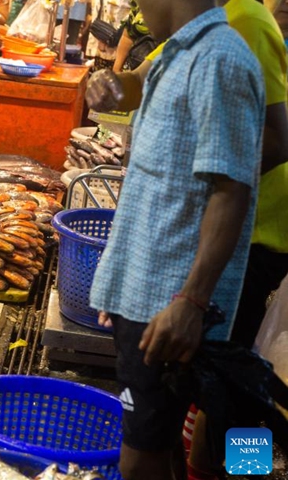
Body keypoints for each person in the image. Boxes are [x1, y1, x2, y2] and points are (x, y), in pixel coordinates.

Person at [87, 0, 265, 479]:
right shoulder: (182, 46)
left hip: (233, 262)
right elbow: (141, 86)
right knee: (166, 431)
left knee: (235, 410)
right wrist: (112, 85)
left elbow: (237, 183)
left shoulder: (229, 48)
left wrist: (191, 299)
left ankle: (252, 470)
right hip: (169, 278)